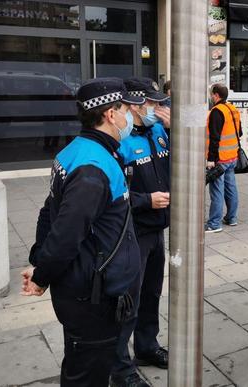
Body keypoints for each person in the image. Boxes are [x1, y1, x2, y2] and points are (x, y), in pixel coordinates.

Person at [21, 78, 144, 387]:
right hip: (92, 295)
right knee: (87, 374)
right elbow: (65, 233)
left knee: (82, 362)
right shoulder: (93, 167)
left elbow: (49, 211)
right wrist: (41, 276)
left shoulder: (78, 151)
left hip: (87, 286)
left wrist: (39, 262)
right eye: (126, 108)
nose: (130, 115)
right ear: (110, 114)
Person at [110, 77, 170, 387]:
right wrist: (146, 200)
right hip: (132, 233)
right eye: (152, 103)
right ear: (135, 105)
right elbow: (111, 194)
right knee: (128, 302)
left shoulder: (158, 131)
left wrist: (177, 132)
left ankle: (147, 347)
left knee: (151, 294)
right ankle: (120, 369)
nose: (158, 108)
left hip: (157, 229)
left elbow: (179, 166)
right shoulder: (120, 139)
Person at [205, 83, 241, 233]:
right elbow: (240, 132)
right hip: (233, 156)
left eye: (211, 94)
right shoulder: (232, 109)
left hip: (220, 159)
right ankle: (232, 218)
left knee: (217, 190)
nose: (210, 97)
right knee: (231, 187)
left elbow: (215, 138)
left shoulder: (216, 111)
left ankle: (214, 224)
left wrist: (211, 159)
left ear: (216, 95)